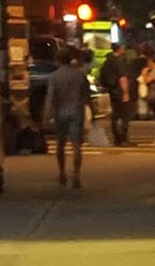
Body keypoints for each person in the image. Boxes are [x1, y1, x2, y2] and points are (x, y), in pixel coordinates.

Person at [43, 47, 91, 189]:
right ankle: (76, 175)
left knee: (60, 144)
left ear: (58, 60)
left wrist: (46, 116)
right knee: (76, 145)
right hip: (76, 111)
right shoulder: (79, 75)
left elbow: (50, 98)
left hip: (60, 112)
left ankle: (62, 172)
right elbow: (86, 94)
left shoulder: (54, 77)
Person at [101, 45, 139, 147]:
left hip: (111, 91)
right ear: (119, 50)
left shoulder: (107, 62)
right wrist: (125, 93)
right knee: (125, 116)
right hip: (119, 91)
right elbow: (122, 78)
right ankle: (123, 139)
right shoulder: (118, 62)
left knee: (115, 116)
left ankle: (117, 139)